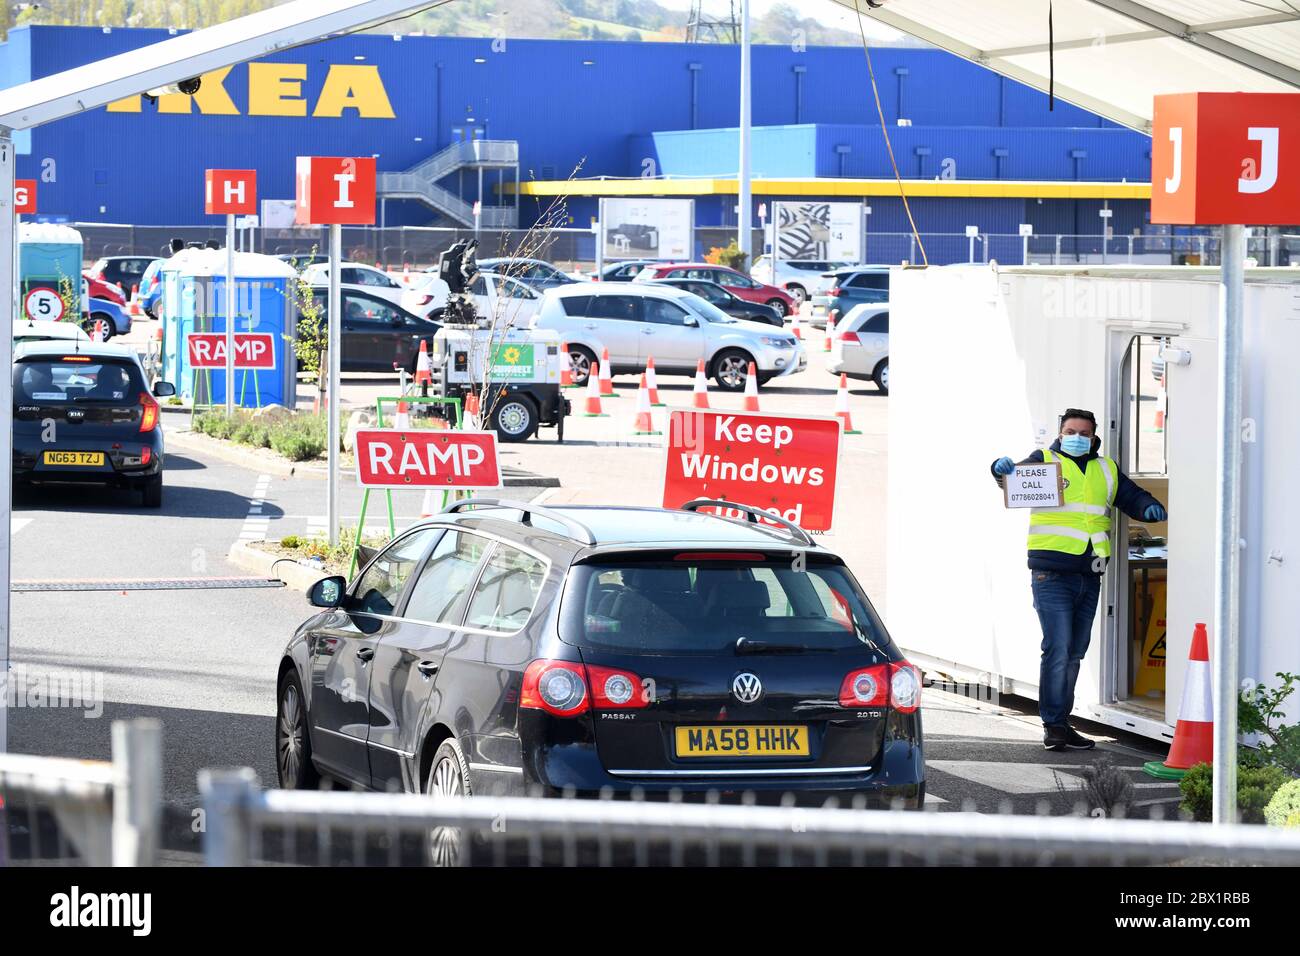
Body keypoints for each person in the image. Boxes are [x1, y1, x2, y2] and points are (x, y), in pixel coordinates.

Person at [991, 408, 1167, 752]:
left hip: (1090, 574)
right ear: (1060, 431)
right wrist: (1000, 471)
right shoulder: (1044, 460)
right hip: (1051, 573)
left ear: (1093, 436)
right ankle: (1053, 725)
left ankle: (1061, 723)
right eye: (1070, 431)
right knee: (1057, 648)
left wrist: (1149, 507)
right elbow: (1013, 479)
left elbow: (1131, 496)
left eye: (1083, 433)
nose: (1076, 437)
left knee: (1073, 652)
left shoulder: (1106, 469)